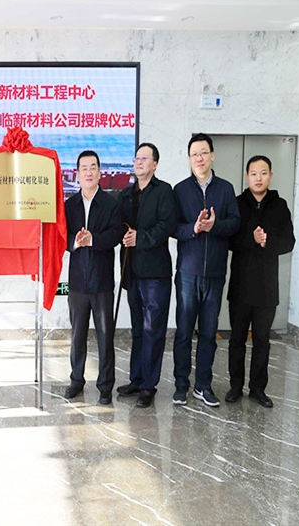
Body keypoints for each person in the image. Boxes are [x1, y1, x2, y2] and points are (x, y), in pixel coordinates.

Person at [172, 133, 240, 407]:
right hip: (187, 273)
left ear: (212, 155)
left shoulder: (225, 189)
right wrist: (194, 228)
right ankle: (181, 385)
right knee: (183, 332)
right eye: (194, 154)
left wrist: (215, 225)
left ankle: (203, 385)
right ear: (189, 159)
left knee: (209, 333)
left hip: (215, 273)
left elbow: (235, 223)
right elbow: (173, 227)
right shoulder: (180, 190)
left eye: (203, 153)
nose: (199, 158)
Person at [226, 155, 295, 408]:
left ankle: (257, 388)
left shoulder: (280, 205)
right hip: (240, 286)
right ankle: (235, 386)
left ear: (271, 176)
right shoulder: (236, 204)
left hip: (267, 288)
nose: (258, 178)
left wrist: (267, 242)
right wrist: (251, 239)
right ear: (247, 177)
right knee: (236, 340)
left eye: (263, 173)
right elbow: (228, 239)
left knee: (262, 341)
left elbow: (289, 241)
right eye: (254, 173)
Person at [117, 143, 176, 408]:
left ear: (155, 164)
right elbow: (119, 225)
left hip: (155, 274)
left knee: (154, 330)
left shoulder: (164, 191)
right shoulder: (126, 194)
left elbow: (167, 226)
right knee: (138, 329)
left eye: (145, 158)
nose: (139, 162)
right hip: (132, 271)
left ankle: (149, 386)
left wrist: (140, 237)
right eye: (137, 157)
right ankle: (137, 379)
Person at [64, 150, 123, 405]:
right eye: (84, 168)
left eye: (93, 167)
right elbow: (62, 237)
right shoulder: (69, 205)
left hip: (102, 283)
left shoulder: (110, 203)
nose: (88, 172)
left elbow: (117, 234)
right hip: (77, 283)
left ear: (100, 173)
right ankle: (76, 380)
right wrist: (76, 243)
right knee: (77, 335)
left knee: (105, 336)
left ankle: (105, 385)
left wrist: (94, 239)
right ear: (77, 174)